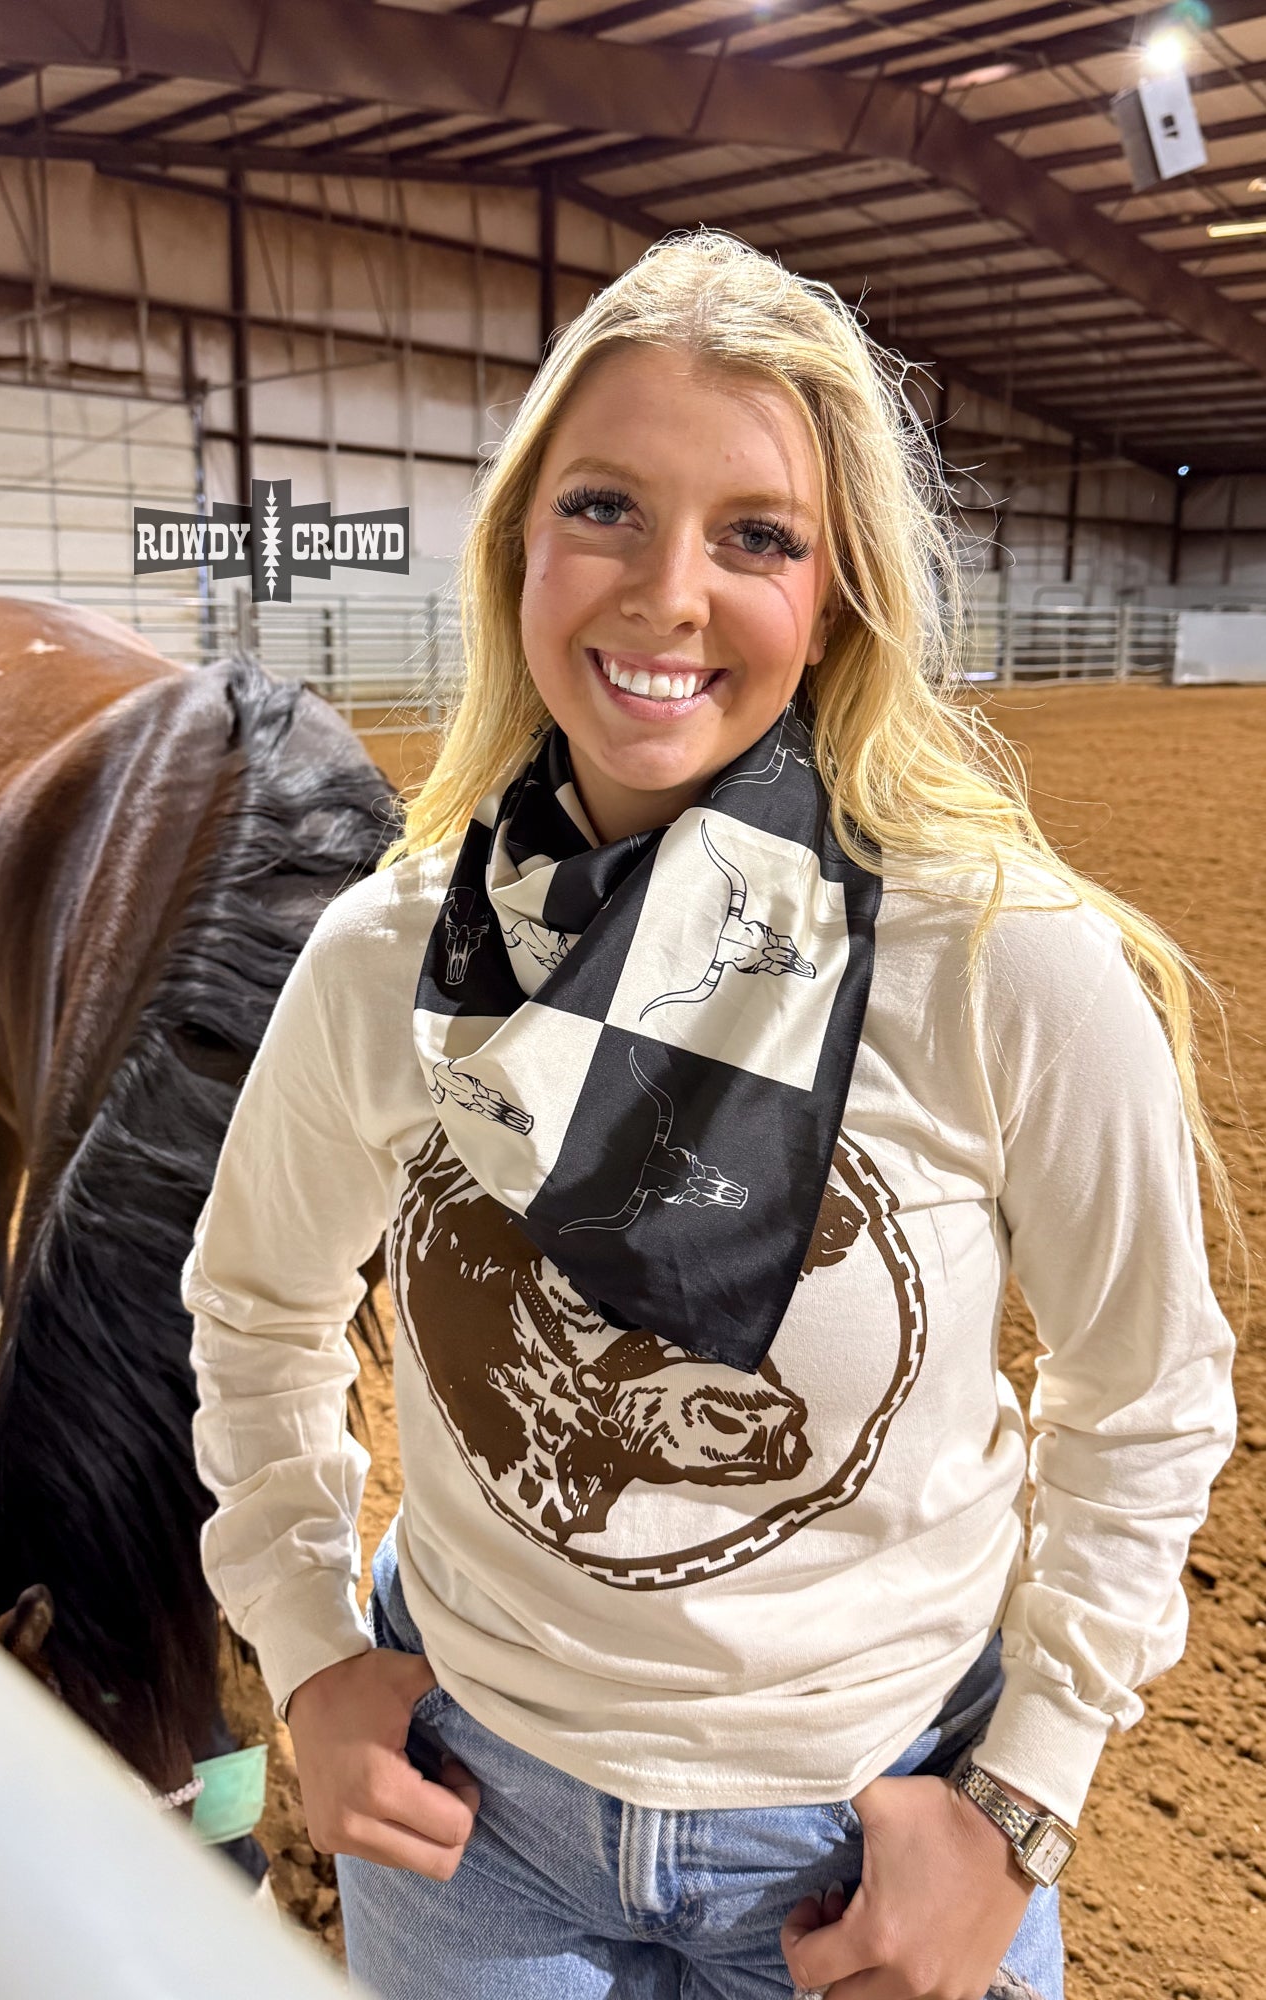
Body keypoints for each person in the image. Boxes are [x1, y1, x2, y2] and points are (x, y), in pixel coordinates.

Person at [182, 230, 1237, 2000]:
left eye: (757, 535)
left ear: (836, 595)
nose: (667, 594)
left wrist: (1019, 1809)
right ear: (519, 546)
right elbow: (254, 1304)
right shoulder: (388, 955)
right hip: (470, 1819)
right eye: (603, 507)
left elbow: (1145, 1396)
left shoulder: (997, 963)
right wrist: (305, 1649)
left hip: (867, 1843)